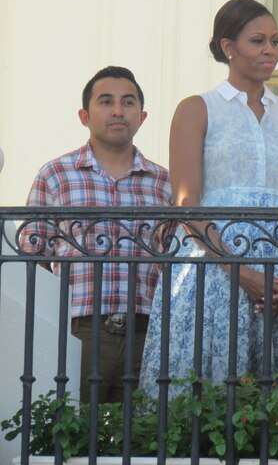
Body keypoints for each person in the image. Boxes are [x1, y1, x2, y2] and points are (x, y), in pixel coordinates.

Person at [140, 0, 278, 397]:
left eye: (275, 41)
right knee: (205, 396)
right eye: (258, 40)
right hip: (213, 264)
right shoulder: (197, 108)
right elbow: (187, 202)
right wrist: (242, 273)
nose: (270, 51)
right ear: (228, 47)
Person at [20, 66, 172, 403]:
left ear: (142, 116)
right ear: (84, 115)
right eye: (106, 101)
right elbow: (33, 258)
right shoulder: (55, 175)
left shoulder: (164, 183)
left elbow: (178, 264)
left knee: (140, 440)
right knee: (74, 435)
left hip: (146, 333)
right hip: (79, 330)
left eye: (128, 102)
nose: (118, 111)